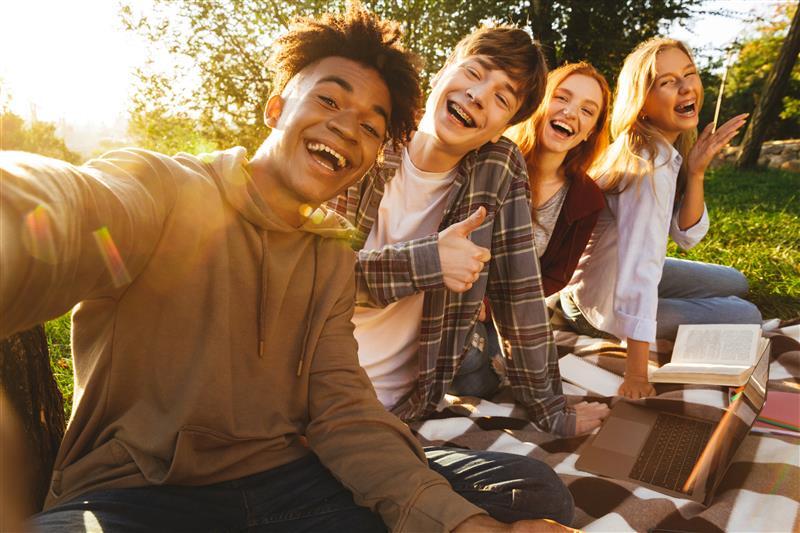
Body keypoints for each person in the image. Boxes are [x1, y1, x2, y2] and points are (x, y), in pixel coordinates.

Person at [0, 5, 569, 532]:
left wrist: (469, 525)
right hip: (142, 495)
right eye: (328, 101)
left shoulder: (325, 257)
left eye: (371, 126)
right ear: (276, 107)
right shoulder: (166, 190)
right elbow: (71, 211)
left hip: (296, 479)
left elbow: (343, 413)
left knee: (529, 492)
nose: (348, 127)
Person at [329, 25, 609, 444]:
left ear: (504, 126)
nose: (479, 96)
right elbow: (305, 281)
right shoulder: (366, 134)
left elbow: (520, 295)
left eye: (502, 98)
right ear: (444, 71)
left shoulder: (496, 168)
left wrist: (551, 410)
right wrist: (428, 261)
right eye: (475, 74)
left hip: (392, 407)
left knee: (540, 494)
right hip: (309, 388)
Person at [560, 37, 762, 400]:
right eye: (667, 82)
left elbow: (686, 237)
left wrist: (697, 173)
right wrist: (636, 374)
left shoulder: (662, 148)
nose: (687, 88)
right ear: (642, 104)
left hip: (612, 274)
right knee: (745, 314)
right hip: (601, 303)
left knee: (735, 280)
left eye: (689, 74)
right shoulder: (646, 165)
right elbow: (640, 271)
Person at [505, 62, 610, 297]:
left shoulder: (587, 199)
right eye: (562, 98)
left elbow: (554, 278)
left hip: (508, 310)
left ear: (590, 132)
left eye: (587, 110)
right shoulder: (493, 159)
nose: (570, 113)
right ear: (540, 100)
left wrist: (489, 310)